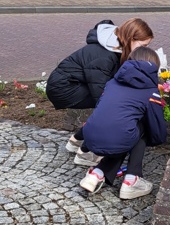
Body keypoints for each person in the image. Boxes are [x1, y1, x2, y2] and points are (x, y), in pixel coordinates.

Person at [46, 18, 153, 166]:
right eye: (143, 45)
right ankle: (85, 153)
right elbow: (101, 96)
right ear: (130, 39)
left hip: (73, 84)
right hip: (64, 89)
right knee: (111, 106)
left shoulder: (115, 48)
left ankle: (76, 141)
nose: (144, 50)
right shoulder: (104, 56)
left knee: (115, 102)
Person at [79, 46, 167, 199]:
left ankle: (96, 174)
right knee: (137, 129)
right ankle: (131, 180)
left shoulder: (112, 83)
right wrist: (158, 141)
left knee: (123, 130)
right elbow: (156, 124)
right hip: (117, 138)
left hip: (90, 136)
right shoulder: (150, 91)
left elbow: (104, 111)